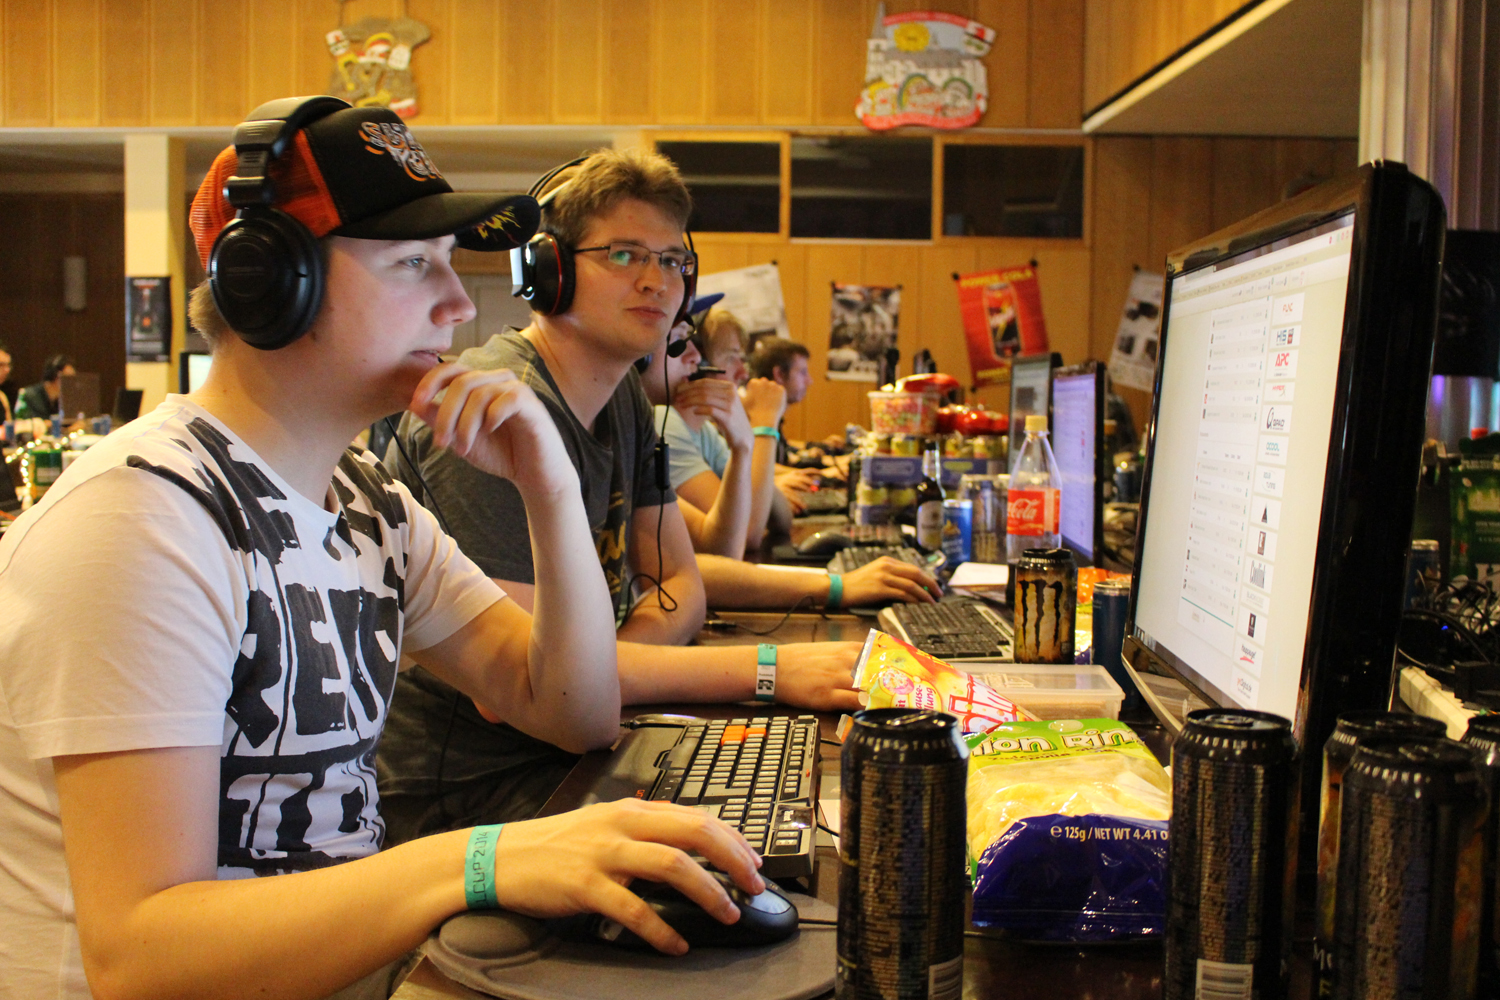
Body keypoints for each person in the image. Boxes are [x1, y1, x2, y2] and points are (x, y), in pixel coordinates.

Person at [0, 100, 767, 1000]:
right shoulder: (140, 523)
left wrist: (551, 488)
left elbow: (577, 713)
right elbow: (140, 957)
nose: (457, 303)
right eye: (412, 264)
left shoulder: (371, 503)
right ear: (269, 283)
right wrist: (481, 862)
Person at [379, 149, 904, 843]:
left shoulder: (623, 397)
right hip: (474, 794)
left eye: (673, 261)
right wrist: (767, 669)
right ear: (548, 271)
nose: (658, 281)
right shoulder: (492, 419)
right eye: (623, 255)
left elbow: (681, 583)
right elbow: (530, 687)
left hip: (580, 746)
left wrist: (607, 664)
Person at [645, 310, 785, 555]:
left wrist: (751, 442)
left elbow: (781, 516)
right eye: (731, 358)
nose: (743, 373)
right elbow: (749, 532)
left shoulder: (705, 431)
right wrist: (765, 423)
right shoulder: (664, 425)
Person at [16, 353, 74, 419]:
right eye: (68, 378)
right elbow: (22, 421)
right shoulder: (28, 395)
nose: (71, 383)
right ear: (54, 375)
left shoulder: (66, 399)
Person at [0, 342, 13, 422]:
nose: (7, 370)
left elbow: (9, 425)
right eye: (1, 365)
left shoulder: (2, 397)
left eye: (8, 365)